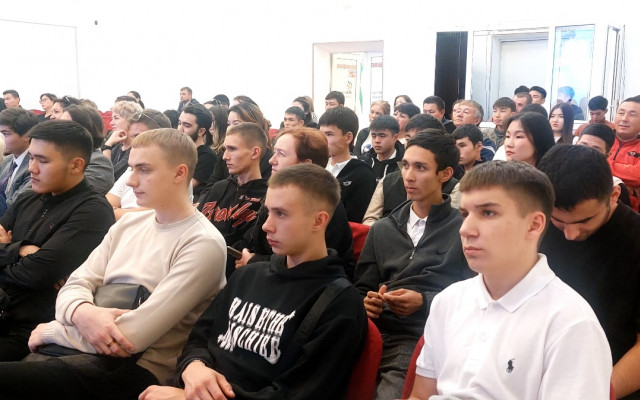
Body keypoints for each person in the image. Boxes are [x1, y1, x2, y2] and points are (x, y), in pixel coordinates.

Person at [0, 128, 226, 399]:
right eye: (131, 168)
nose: (130, 180)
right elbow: (75, 283)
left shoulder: (202, 243)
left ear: (179, 173)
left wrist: (53, 330)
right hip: (81, 350)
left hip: (137, 367)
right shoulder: (129, 223)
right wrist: (81, 311)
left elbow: (130, 337)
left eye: (143, 170)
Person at [140, 163, 366, 400]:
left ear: (318, 221)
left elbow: (297, 394)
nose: (267, 225)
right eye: (267, 212)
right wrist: (193, 366)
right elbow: (198, 338)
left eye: (281, 214)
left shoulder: (339, 303)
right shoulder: (247, 275)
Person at [409, 160, 612, 400]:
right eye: (464, 214)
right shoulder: (448, 300)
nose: (465, 229)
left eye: (488, 213)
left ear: (534, 225)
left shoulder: (570, 323)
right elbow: (420, 395)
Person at [355, 133, 473, 399]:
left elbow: (473, 295)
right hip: (370, 329)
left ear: (445, 174)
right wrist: (367, 302)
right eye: (406, 165)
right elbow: (362, 286)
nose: (408, 176)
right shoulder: (383, 228)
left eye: (420, 167)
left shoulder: (463, 229)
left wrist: (424, 301)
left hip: (418, 334)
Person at [0, 120, 114, 361]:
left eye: (42, 161)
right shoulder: (29, 198)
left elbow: (36, 274)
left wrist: (6, 248)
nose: (31, 168)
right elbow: (31, 270)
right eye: (31, 158)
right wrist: (20, 250)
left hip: (26, 328)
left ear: (76, 165)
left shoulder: (92, 211)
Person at [538, 144, 640, 399]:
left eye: (585, 221)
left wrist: (598, 392)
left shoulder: (634, 240)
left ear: (614, 195)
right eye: (558, 220)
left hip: (609, 376)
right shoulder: (536, 226)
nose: (570, 235)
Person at [233, 127, 355, 278]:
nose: (271, 160)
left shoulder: (326, 206)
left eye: (281, 154)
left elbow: (315, 265)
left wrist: (254, 262)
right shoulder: (274, 196)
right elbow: (254, 241)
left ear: (306, 165)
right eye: (274, 152)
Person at [198, 122, 268, 278]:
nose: (225, 156)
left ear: (254, 152)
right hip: (197, 264)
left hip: (231, 275)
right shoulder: (219, 187)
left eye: (232, 149)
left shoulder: (266, 197)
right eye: (225, 149)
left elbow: (245, 247)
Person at [362, 116, 460, 226]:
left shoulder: (455, 188)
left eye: (420, 167)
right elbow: (370, 219)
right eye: (408, 139)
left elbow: (453, 225)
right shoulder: (389, 180)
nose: (412, 145)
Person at [197, 103, 272, 203]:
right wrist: (201, 204)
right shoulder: (224, 156)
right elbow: (210, 187)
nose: (230, 128)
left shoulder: (269, 162)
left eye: (236, 124)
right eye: (228, 124)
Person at [106, 109, 172, 220]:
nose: (134, 143)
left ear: (162, 139)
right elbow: (107, 201)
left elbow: (145, 215)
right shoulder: (131, 169)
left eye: (139, 137)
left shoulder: (170, 171)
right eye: (133, 137)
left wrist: (112, 212)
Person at [320, 107, 376, 222]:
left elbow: (353, 219)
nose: (322, 140)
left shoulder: (362, 173)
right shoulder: (319, 166)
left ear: (348, 137)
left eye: (329, 134)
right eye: (321, 134)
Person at [59, 104, 114, 195]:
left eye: (66, 126)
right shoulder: (62, 156)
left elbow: (70, 193)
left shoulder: (98, 162)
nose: (59, 130)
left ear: (85, 130)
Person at [0, 108, 39, 216]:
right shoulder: (6, 160)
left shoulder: (35, 167)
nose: (1, 139)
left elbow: (16, 206)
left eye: (5, 134)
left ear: (28, 135)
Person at [608, 95, 640, 211]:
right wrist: (622, 184)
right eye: (621, 113)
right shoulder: (600, 137)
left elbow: (637, 175)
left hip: (628, 212)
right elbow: (583, 163)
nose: (624, 119)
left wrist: (601, 162)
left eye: (632, 115)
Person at [178, 105, 216, 197]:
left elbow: (184, 187)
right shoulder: (177, 152)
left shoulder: (207, 157)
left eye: (186, 125)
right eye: (179, 123)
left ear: (201, 131)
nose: (180, 129)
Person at [102, 100, 143, 180]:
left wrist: (107, 146)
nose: (111, 123)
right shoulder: (118, 147)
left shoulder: (136, 150)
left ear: (131, 120)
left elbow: (106, 178)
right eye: (112, 118)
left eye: (116, 118)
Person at [361, 115, 404, 182]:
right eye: (374, 136)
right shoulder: (364, 162)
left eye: (382, 136)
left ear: (395, 138)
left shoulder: (403, 165)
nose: (377, 140)